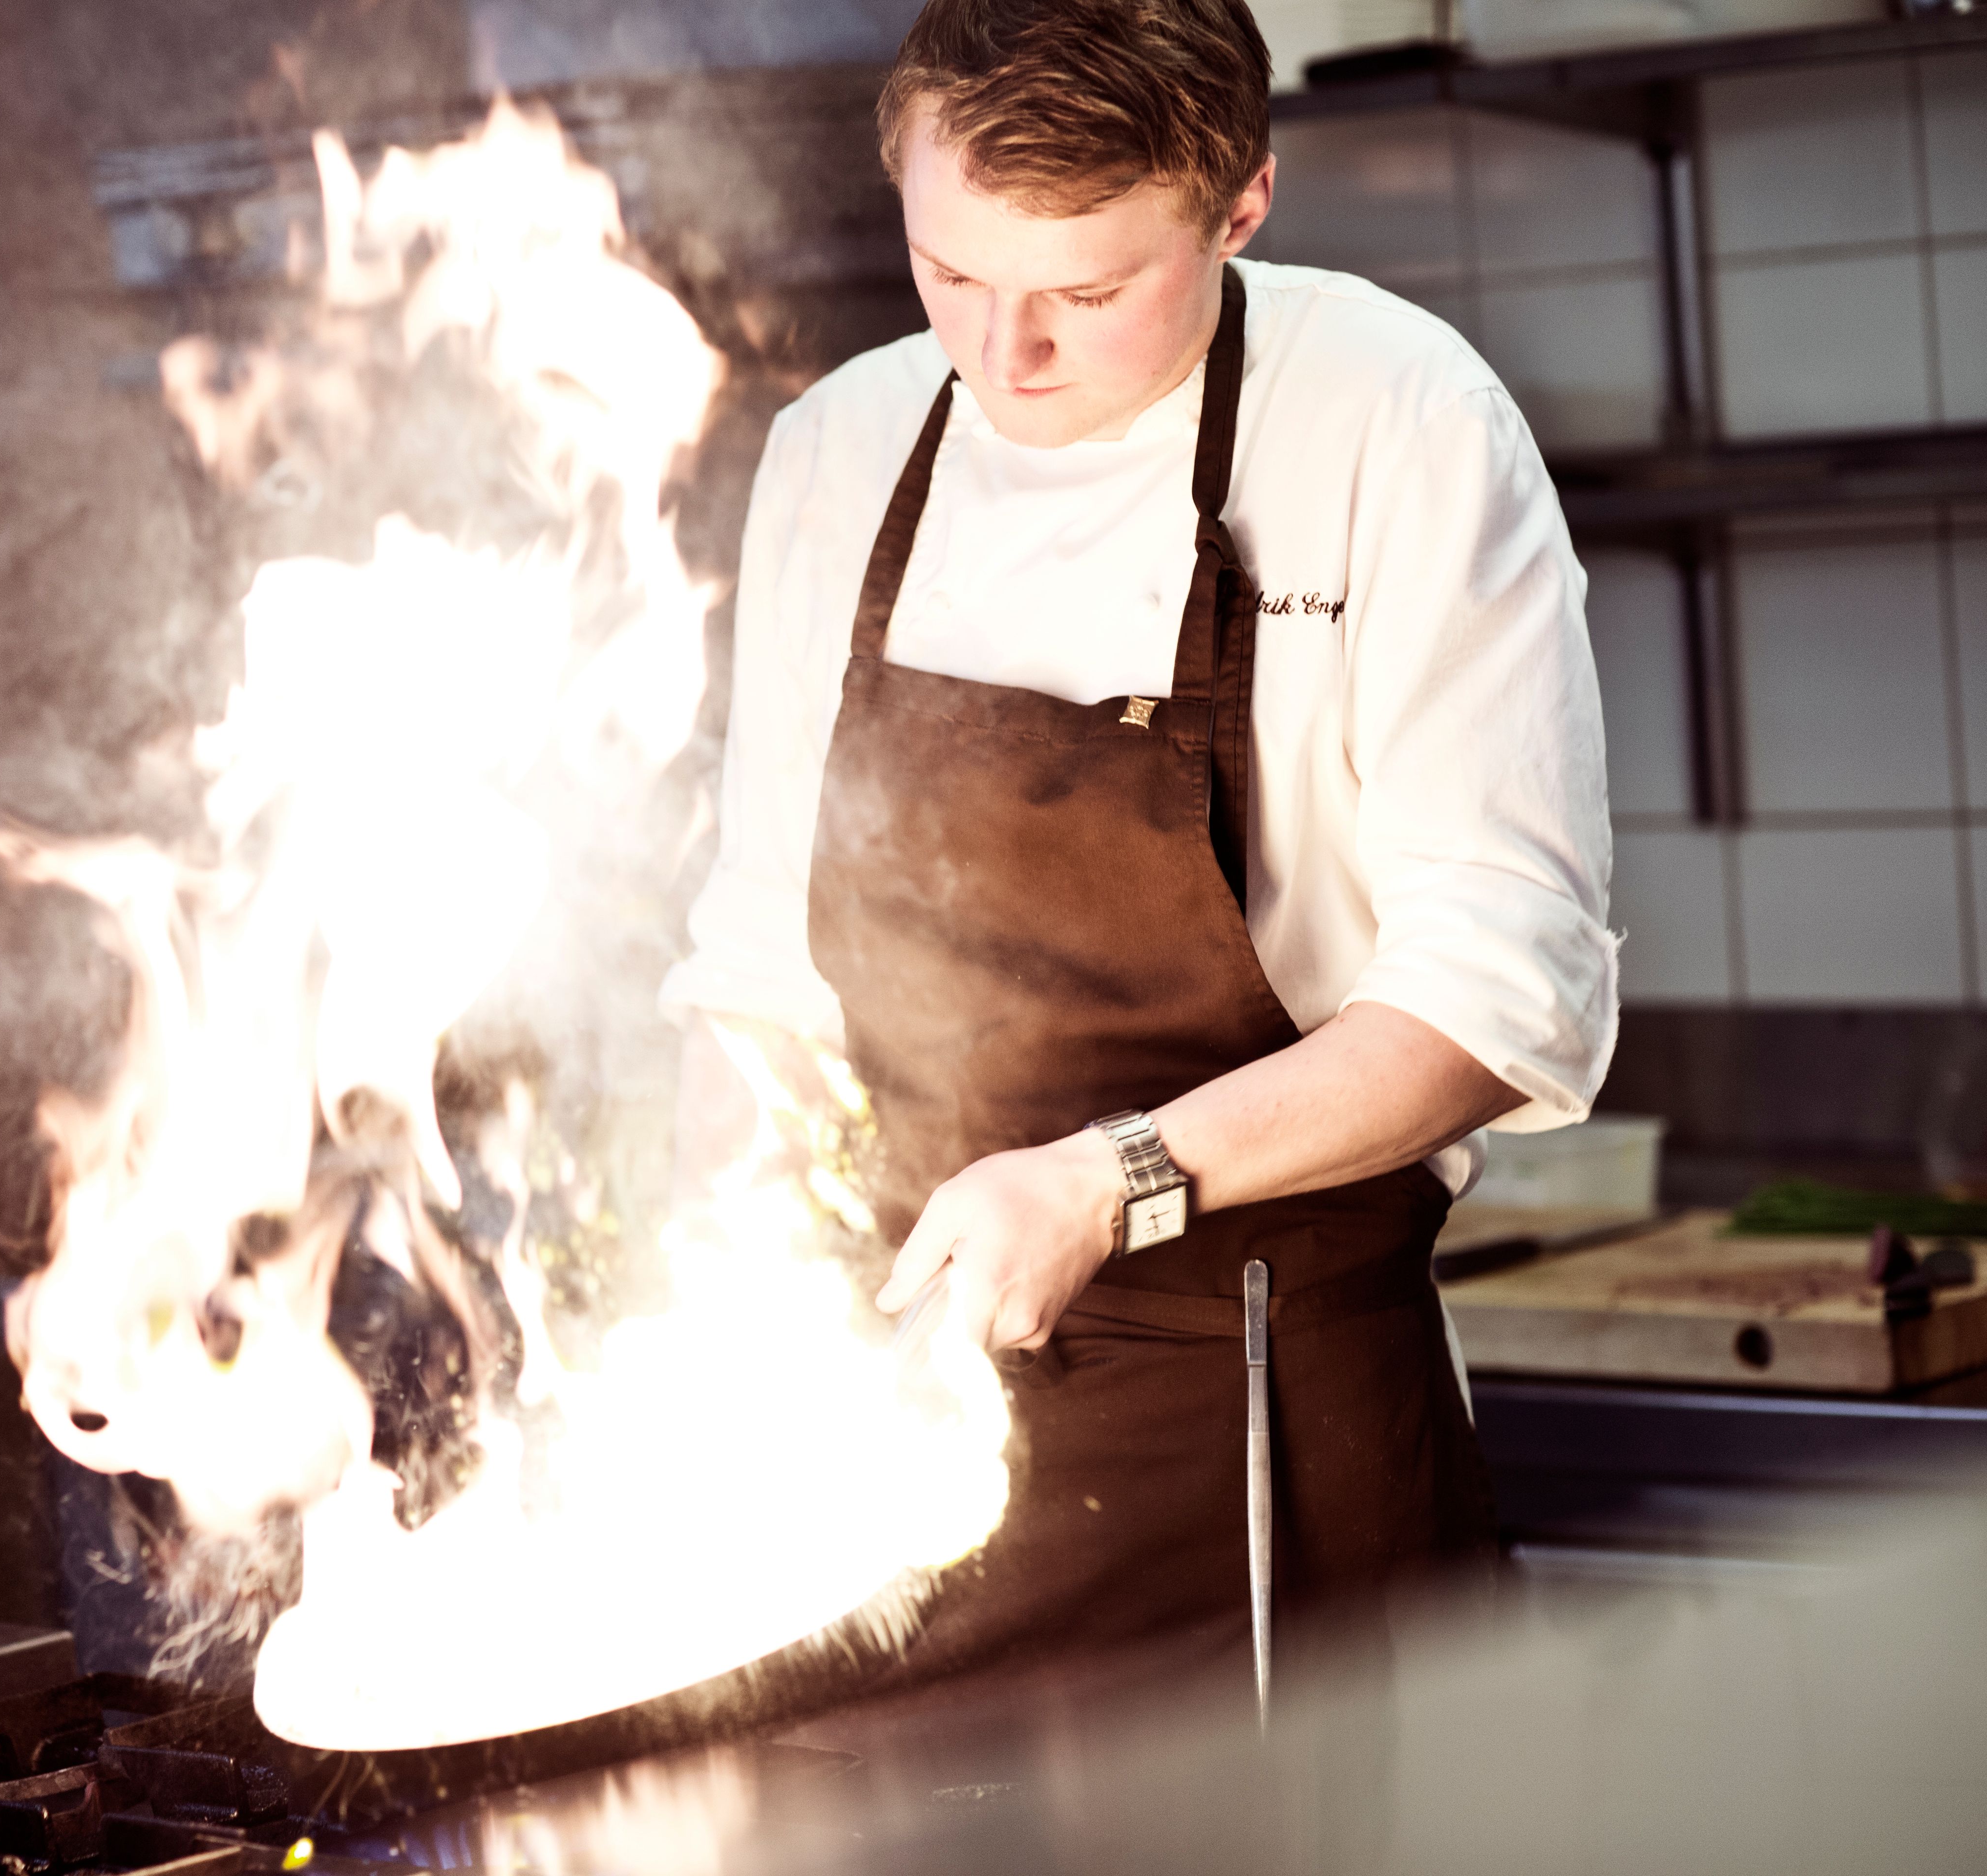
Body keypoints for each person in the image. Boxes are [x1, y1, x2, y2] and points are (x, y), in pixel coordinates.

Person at [662, 0, 1616, 1686]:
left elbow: (1496, 999)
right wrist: (703, 1273)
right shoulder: (839, 452)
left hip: (1272, 1439)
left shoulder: (1397, 421)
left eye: (1087, 295)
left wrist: (1112, 1181)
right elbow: (764, 979)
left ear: (1240, 204)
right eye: (948, 272)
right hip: (900, 1437)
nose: (1001, 354)